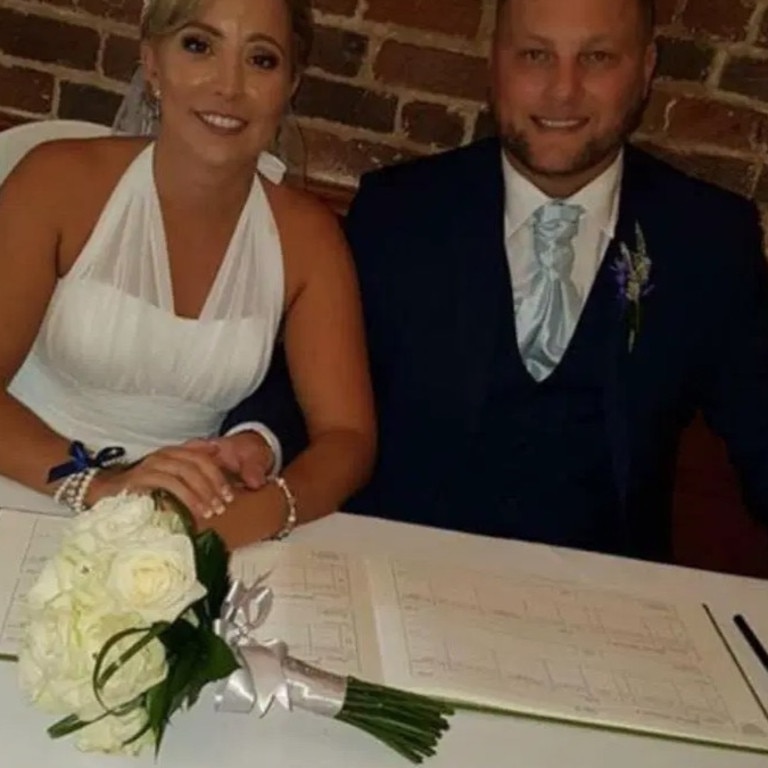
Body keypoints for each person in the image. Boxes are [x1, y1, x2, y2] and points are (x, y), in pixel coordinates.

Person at [232, 0, 768, 562]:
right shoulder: (399, 213)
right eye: (535, 55)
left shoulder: (707, 238)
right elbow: (304, 383)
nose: (563, 90)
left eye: (598, 57)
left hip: (607, 605)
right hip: (398, 575)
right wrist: (257, 442)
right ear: (495, 63)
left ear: (646, 67)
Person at [0, 0, 376, 549]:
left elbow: (348, 436)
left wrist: (268, 508)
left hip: (183, 527)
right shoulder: (55, 182)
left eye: (262, 60)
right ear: (152, 63)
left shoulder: (309, 239)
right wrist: (99, 486)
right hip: (25, 483)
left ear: (290, 84)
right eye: (199, 46)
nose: (229, 86)